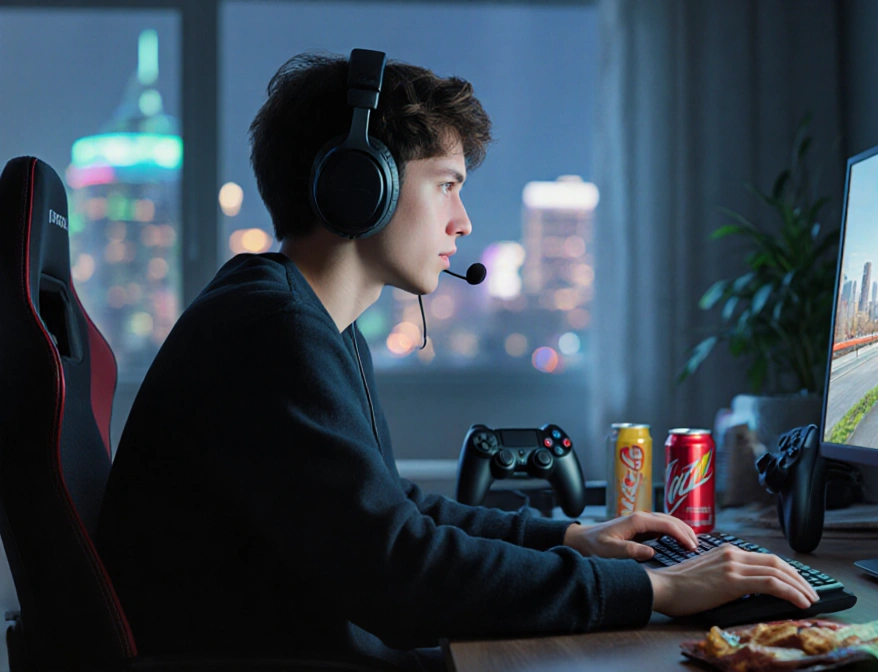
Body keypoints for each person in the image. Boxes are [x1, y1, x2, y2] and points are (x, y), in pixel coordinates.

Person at [95, 51, 816, 670]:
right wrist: (659, 590)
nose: (463, 221)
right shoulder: (273, 330)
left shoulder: (308, 319)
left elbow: (392, 513)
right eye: (446, 184)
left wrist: (570, 536)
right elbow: (400, 574)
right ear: (358, 185)